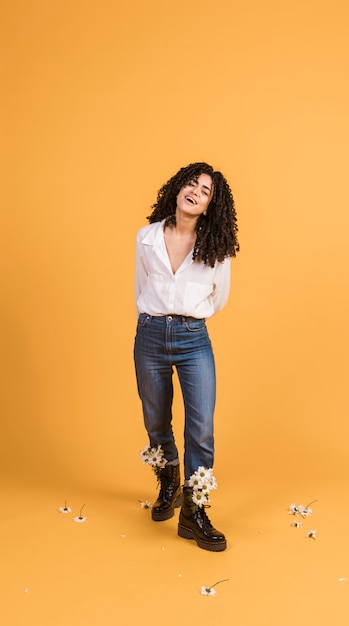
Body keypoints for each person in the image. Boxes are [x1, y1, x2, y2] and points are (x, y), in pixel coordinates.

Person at [134, 162, 239, 551]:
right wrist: (153, 324)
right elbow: (140, 286)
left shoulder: (216, 248)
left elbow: (219, 298)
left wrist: (186, 320)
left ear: (211, 205)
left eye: (206, 190)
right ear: (178, 189)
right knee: (155, 419)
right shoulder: (146, 238)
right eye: (191, 183)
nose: (195, 190)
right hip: (149, 335)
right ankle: (168, 481)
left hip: (194, 339)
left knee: (201, 429)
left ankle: (194, 511)